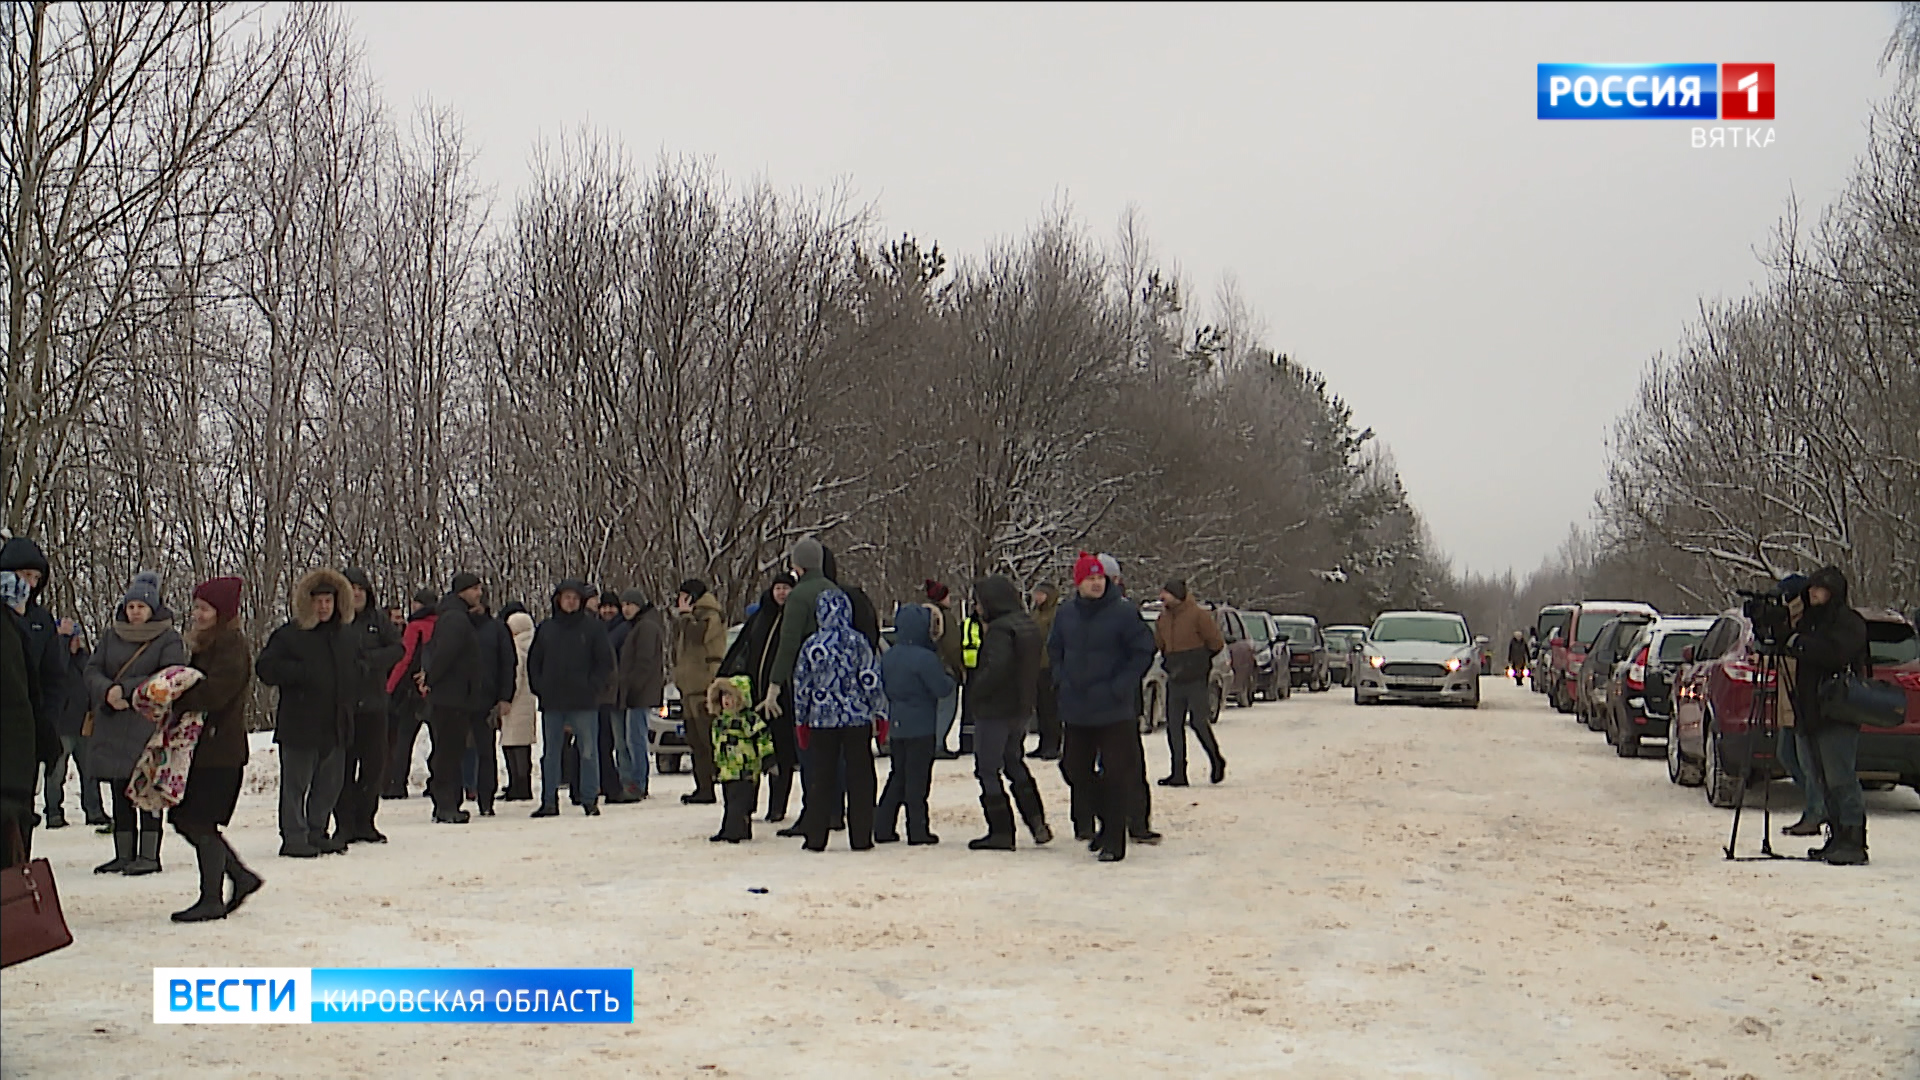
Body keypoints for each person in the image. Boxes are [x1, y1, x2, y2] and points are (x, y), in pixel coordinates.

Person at [166, 576, 265, 922]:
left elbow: (215, 693)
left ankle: (213, 896)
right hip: (203, 749)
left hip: (219, 750)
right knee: (186, 818)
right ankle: (239, 876)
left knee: (197, 820)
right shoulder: (208, 644)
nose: (197, 614)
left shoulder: (231, 647)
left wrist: (176, 694)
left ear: (221, 613)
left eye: (204, 608)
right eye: (196, 607)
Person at [1051, 552, 1157, 863]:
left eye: (1100, 578)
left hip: (1113, 708)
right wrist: (1060, 678)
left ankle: (1114, 840)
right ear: (1079, 583)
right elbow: (1054, 648)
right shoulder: (1066, 614)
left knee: (1116, 773)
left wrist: (1122, 684)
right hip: (1077, 706)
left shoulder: (1123, 613)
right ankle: (1109, 821)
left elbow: (1143, 650)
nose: (1096, 584)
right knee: (1073, 767)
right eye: (1090, 579)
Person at [86, 571, 188, 874]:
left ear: (153, 609)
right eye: (131, 607)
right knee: (119, 786)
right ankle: (124, 852)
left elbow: (170, 675)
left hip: (147, 722)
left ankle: (148, 854)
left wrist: (127, 690)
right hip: (113, 719)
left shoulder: (168, 638)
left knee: (147, 787)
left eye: (141, 608)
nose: (135, 613)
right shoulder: (110, 635)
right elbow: (91, 669)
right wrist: (106, 691)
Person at [255, 569, 358, 856]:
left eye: (329, 601)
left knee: (329, 785)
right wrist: (300, 674)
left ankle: (317, 831)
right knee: (296, 786)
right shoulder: (290, 635)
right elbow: (265, 668)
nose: (324, 607)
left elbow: (358, 668)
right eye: (318, 601)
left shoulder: (346, 636)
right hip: (300, 723)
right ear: (307, 602)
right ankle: (293, 836)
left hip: (336, 723)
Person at [1788, 566, 1871, 866]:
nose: (1813, 594)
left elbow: (1836, 653)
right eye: (1811, 589)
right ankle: (1836, 835)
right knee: (1820, 778)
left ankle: (1853, 838)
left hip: (1838, 711)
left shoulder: (1848, 623)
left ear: (1834, 591)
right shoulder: (1809, 622)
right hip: (1811, 710)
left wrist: (1800, 643)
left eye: (1819, 589)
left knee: (1841, 777)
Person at [793, 589, 884, 852]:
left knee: (821, 778)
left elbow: (802, 686)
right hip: (856, 719)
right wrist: (880, 711)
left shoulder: (812, 645)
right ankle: (861, 836)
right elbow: (871, 678)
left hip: (822, 720)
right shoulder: (859, 642)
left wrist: (801, 720)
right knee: (860, 777)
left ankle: (816, 836)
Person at [964, 576, 1051, 850]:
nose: (978, 608)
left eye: (979, 602)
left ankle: (1001, 830)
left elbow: (996, 669)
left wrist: (975, 691)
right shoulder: (1026, 624)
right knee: (1013, 761)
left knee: (987, 769)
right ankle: (1036, 820)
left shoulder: (1001, 630)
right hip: (1021, 706)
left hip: (995, 708)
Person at [1, 536, 69, 856]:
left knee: (21, 820)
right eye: (22, 575)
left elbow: (54, 679)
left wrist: (48, 725)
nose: (28, 584)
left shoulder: (41, 621)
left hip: (31, 731)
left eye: (35, 578)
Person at [529, 579, 614, 817]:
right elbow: (533, 663)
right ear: (558, 600)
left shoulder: (593, 629)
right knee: (551, 754)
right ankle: (548, 801)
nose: (571, 602)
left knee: (588, 752)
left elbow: (604, 662)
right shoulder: (546, 628)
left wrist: (594, 687)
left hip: (584, 701)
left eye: (575, 598)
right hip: (553, 701)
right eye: (567, 597)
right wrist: (541, 688)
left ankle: (589, 800)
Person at [875, 603, 955, 845]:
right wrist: (950, 676)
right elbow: (941, 688)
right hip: (921, 726)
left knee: (898, 775)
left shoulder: (890, 656)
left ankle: (882, 825)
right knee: (918, 779)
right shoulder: (926, 658)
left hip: (897, 724)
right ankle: (917, 829)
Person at [335, 568, 403, 844]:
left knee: (374, 766)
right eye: (351, 587)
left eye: (361, 587)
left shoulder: (378, 620)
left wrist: (370, 661)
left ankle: (366, 821)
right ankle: (345, 824)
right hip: (345, 706)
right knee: (343, 768)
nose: (357, 592)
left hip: (375, 705)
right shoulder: (336, 622)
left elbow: (398, 649)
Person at [719, 573, 795, 820]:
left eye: (786, 588)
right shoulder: (761, 617)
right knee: (750, 753)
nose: (782, 593)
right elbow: (740, 647)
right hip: (753, 697)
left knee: (780, 754)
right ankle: (747, 804)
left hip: (783, 699)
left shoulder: (794, 618)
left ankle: (777, 807)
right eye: (778, 588)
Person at [421, 573, 489, 824]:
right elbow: (445, 654)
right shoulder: (455, 619)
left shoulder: (454, 616)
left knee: (449, 751)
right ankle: (446, 805)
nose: (479, 594)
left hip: (454, 695)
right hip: (452, 697)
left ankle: (447, 803)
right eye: (475, 589)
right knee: (449, 752)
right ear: (463, 591)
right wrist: (432, 678)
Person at [1153, 580, 1227, 787]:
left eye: (1166, 593)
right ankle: (1178, 772)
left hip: (1195, 677)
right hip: (1175, 675)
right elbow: (1159, 644)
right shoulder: (1163, 619)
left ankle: (1216, 759)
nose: (1162, 597)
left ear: (1177, 595)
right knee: (1173, 725)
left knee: (1198, 722)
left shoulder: (1198, 615)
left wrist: (1199, 661)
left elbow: (1216, 643)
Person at [42, 618, 103, 829]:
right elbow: (55, 671)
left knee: (89, 772)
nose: (74, 642)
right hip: (61, 725)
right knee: (55, 773)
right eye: (69, 638)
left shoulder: (86, 661)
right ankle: (53, 813)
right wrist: (60, 640)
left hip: (83, 725)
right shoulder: (55, 660)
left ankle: (94, 811)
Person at [672, 578, 727, 805]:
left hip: (705, 686)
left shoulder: (710, 615)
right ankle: (704, 788)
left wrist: (685, 615)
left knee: (709, 740)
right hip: (688, 688)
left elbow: (699, 636)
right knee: (695, 741)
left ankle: (726, 784)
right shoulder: (690, 618)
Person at [383, 588, 439, 798]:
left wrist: (390, 687)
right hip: (437, 689)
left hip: (412, 692)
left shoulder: (415, 626)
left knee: (404, 739)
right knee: (438, 739)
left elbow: (404, 659)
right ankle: (436, 782)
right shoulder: (444, 625)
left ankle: (397, 784)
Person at [614, 589, 667, 803]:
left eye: (630, 604)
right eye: (623, 604)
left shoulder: (645, 627)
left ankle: (638, 783)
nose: (626, 609)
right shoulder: (639, 625)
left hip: (639, 693)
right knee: (632, 738)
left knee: (636, 739)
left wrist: (632, 686)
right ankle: (635, 782)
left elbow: (644, 662)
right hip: (635, 691)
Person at [709, 675, 773, 843]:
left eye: (730, 696)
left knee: (740, 802)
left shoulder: (749, 720)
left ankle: (735, 829)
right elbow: (716, 744)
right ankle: (733, 828)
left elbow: (763, 738)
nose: (726, 701)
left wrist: (768, 758)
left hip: (746, 768)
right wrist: (716, 764)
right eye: (723, 696)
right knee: (730, 800)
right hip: (727, 769)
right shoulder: (720, 723)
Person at [595, 591, 633, 803]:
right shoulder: (599, 628)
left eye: (612, 607)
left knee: (613, 741)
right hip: (599, 694)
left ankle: (619, 784)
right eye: (604, 607)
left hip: (614, 694)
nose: (607, 611)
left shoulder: (623, 630)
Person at [499, 609, 539, 802]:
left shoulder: (515, 646)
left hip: (515, 702)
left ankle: (518, 785)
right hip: (528, 701)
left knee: (512, 745)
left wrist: (505, 697)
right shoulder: (533, 643)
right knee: (522, 745)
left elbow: (515, 674)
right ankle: (523, 784)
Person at [927, 580, 966, 760]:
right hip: (945, 669)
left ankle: (931, 742)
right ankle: (938, 744)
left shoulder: (924, 613)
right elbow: (952, 645)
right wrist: (959, 667)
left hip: (928, 668)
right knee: (946, 708)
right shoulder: (945, 617)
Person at [1028, 582, 1063, 760]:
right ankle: (1043, 742)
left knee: (1051, 708)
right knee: (1041, 707)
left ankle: (1053, 743)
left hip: (1049, 665)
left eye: (1041, 594)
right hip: (1036, 665)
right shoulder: (1036, 614)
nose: (1037, 598)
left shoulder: (1055, 614)